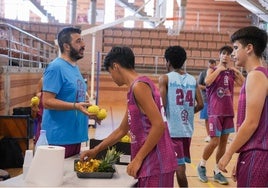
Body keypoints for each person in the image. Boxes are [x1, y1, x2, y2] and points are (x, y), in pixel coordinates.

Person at [80, 46, 177, 187]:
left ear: (115, 66)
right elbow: (122, 130)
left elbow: (158, 125)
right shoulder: (136, 87)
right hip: (151, 162)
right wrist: (96, 150)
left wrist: (137, 159)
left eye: (110, 72)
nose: (111, 77)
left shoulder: (139, 87)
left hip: (157, 163)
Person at [218, 26, 268, 187]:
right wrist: (241, 157)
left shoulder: (256, 76)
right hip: (256, 152)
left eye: (235, 48)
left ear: (249, 48)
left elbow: (251, 123)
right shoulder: (262, 74)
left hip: (258, 154)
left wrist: (228, 153)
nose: (232, 54)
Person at [41, 27, 97, 158]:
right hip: (59, 139)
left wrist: (89, 113)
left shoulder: (74, 68)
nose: (83, 45)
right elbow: (47, 101)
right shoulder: (56, 67)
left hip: (75, 137)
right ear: (66, 46)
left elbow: (75, 100)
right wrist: (74, 106)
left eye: (82, 40)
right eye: (78, 41)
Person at [197, 45, 245, 185]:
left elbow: (244, 84)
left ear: (231, 57)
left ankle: (217, 171)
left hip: (228, 112)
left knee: (223, 143)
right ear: (219, 55)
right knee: (214, 141)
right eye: (223, 53)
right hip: (215, 112)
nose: (226, 56)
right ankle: (202, 165)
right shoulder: (212, 69)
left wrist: (238, 72)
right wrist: (219, 69)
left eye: (229, 54)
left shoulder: (231, 72)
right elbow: (207, 82)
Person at [158, 45, 204, 187]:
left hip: (172, 131)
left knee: (177, 169)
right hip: (187, 130)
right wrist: (188, 112)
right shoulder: (192, 79)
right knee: (178, 166)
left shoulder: (165, 78)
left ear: (168, 62)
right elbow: (201, 104)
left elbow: (162, 106)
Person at [197, 59, 216, 142]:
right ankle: (208, 135)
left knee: (216, 118)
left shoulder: (217, 73)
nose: (211, 66)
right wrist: (207, 88)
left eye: (212, 65)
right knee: (207, 118)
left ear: (215, 65)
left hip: (215, 99)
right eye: (209, 65)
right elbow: (198, 85)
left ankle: (215, 134)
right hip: (206, 99)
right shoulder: (203, 73)